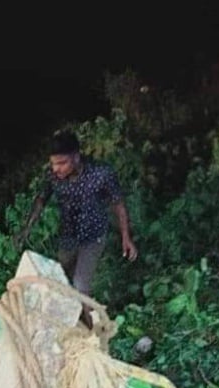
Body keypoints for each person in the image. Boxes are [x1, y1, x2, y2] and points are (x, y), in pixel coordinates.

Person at [16, 130, 137, 327]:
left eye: (62, 163)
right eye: (53, 163)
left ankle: (92, 332)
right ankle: (65, 324)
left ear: (76, 157)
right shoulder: (53, 176)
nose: (56, 168)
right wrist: (26, 229)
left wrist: (126, 237)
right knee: (60, 282)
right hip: (68, 237)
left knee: (80, 286)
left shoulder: (101, 173)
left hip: (93, 236)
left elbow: (118, 204)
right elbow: (40, 200)